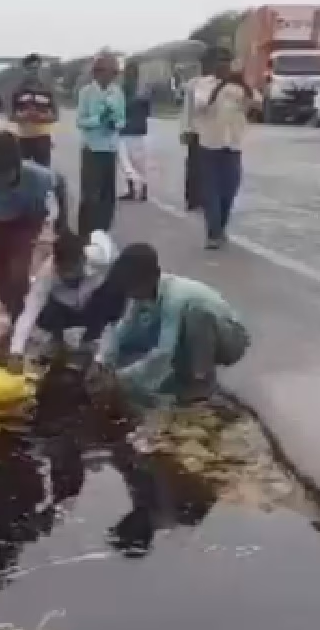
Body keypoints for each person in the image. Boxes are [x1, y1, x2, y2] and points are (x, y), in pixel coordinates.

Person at [91, 243, 249, 405]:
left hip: (231, 339)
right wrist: (102, 362)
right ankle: (186, 375)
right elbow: (123, 331)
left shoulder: (174, 297)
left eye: (134, 287)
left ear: (152, 278)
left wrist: (119, 378)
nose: (131, 294)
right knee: (140, 338)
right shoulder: (142, 295)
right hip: (197, 335)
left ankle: (202, 381)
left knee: (197, 314)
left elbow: (164, 351)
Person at [0, 131, 61, 337]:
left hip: (28, 221)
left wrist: (60, 227)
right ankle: (17, 314)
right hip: (2, 224)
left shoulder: (39, 177)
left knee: (18, 274)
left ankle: (23, 322)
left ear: (17, 167)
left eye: (2, 175)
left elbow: (60, 189)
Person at [6, 229, 124, 370]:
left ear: (83, 259)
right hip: (65, 310)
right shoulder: (47, 272)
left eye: (73, 269)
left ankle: (89, 345)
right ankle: (57, 343)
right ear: (56, 264)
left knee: (112, 295)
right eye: (65, 271)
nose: (69, 275)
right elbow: (30, 311)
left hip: (94, 306)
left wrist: (102, 356)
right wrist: (16, 352)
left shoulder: (103, 257)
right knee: (45, 311)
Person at [192, 48, 259, 250]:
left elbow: (257, 104)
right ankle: (213, 234)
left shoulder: (239, 85)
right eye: (220, 61)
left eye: (227, 61)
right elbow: (201, 105)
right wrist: (221, 85)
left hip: (233, 145)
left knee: (230, 189)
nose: (224, 65)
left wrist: (244, 86)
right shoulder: (203, 85)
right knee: (211, 191)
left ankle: (220, 228)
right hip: (210, 145)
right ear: (214, 65)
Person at [75, 52, 126, 237]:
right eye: (110, 71)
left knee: (107, 195)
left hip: (110, 149)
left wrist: (115, 123)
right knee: (90, 196)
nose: (113, 76)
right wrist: (98, 119)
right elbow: (80, 121)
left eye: (115, 72)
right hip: (92, 149)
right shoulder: (86, 93)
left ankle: (102, 232)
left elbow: (122, 119)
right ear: (98, 72)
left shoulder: (117, 92)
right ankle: (85, 233)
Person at [9, 53, 58, 167]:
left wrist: (41, 117)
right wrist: (23, 117)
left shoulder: (48, 90)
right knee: (23, 172)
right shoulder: (17, 91)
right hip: (23, 139)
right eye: (30, 69)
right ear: (24, 70)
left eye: (36, 68)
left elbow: (55, 116)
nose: (34, 72)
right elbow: (11, 116)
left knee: (43, 173)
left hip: (43, 139)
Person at [178, 59, 213, 212]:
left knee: (203, 166)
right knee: (196, 166)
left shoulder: (199, 83)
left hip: (206, 131)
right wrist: (185, 129)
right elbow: (194, 107)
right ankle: (194, 198)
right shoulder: (196, 84)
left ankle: (200, 197)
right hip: (197, 130)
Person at [118, 62, 151, 202]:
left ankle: (141, 189)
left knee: (135, 161)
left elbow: (146, 110)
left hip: (134, 130)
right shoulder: (126, 90)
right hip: (128, 129)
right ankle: (135, 189)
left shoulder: (138, 91)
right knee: (129, 162)